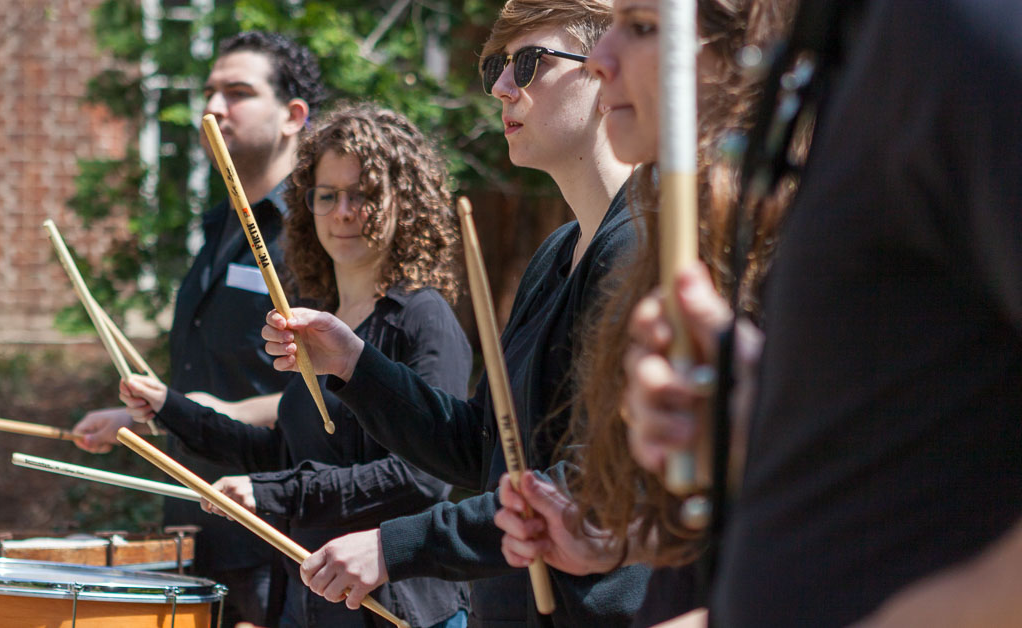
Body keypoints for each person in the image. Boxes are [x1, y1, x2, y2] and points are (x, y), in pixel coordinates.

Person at [527, 0, 1022, 626]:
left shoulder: (958, 28)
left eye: (645, 26)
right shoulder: (861, 45)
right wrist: (753, 419)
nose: (599, 60)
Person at [259, 2, 653, 625]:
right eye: (498, 65)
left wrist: (397, 545)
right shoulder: (558, 252)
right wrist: (355, 365)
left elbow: (595, 480)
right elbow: (486, 447)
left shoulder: (637, 248)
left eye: (529, 64)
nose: (500, 86)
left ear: (606, 70)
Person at [490, 1, 793, 624]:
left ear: (738, 55)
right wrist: (626, 534)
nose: (601, 63)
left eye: (645, 28)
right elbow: (726, 521)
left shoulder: (806, 234)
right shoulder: (689, 227)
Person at [119, 103, 473, 628]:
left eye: (365, 195)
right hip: (311, 603)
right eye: (327, 196)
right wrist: (170, 408)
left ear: (407, 204)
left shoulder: (422, 317)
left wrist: (272, 493)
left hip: (400, 610)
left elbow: (424, 476)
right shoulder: (321, 319)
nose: (343, 212)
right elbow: (284, 453)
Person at [71, 31, 326, 627]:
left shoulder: (316, 236)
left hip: (270, 526)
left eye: (237, 93)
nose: (213, 108)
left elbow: (322, 393)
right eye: (209, 92)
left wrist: (220, 411)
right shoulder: (220, 229)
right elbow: (212, 376)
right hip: (192, 519)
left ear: (293, 117)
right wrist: (145, 413)